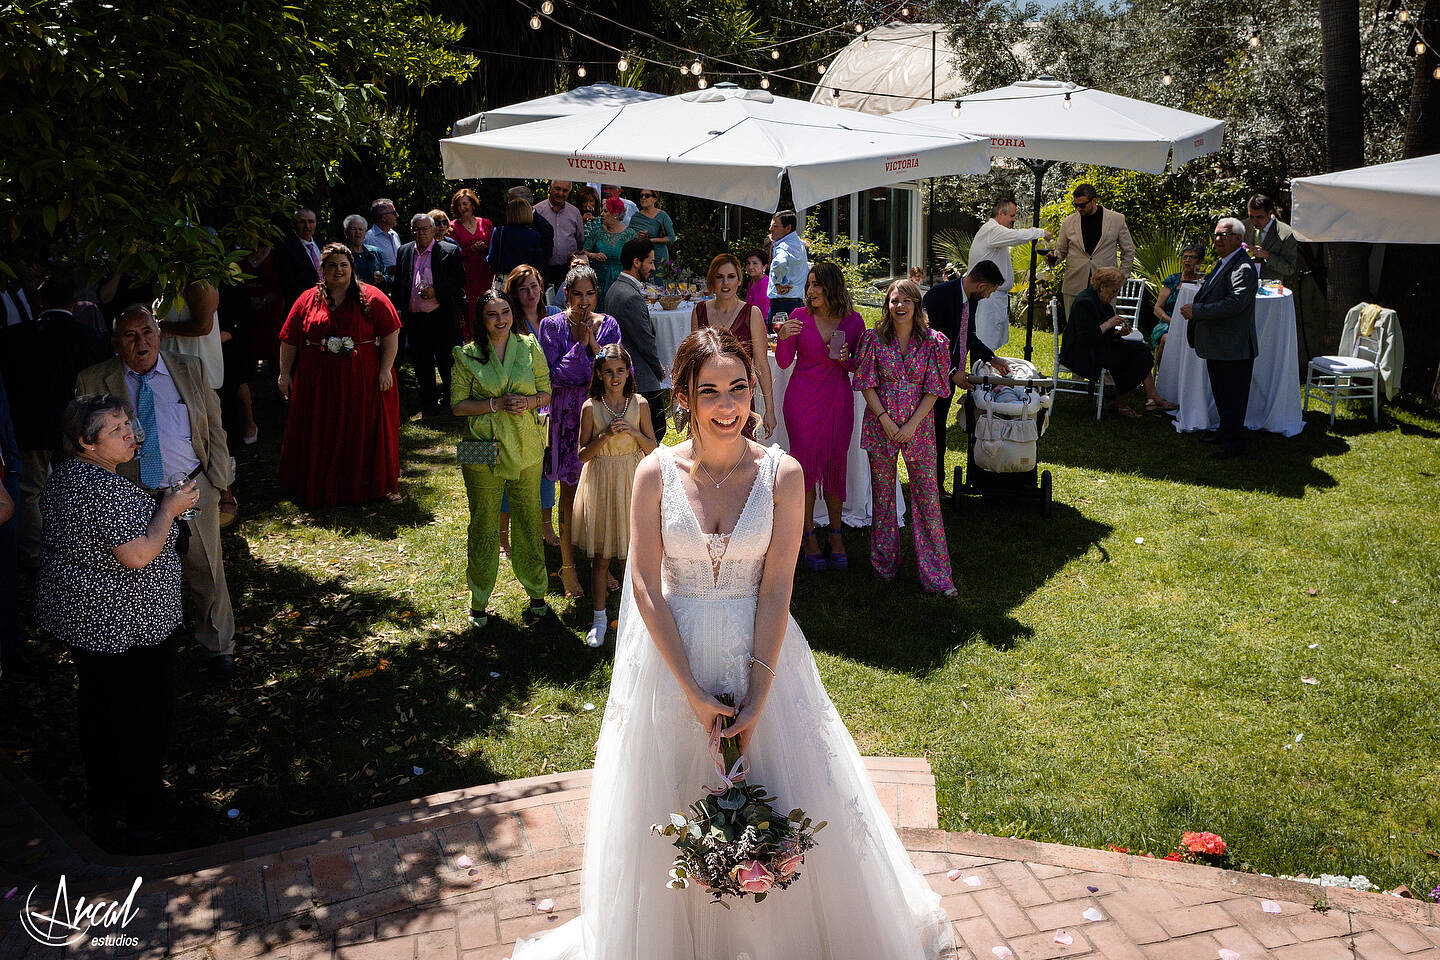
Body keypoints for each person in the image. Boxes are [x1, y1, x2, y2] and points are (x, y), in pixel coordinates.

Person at [509, 328, 954, 960]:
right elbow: (642, 584)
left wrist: (759, 691)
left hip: (761, 654)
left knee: (775, 802)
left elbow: (777, 588)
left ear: (753, 389)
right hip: (670, 664)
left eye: (738, 387)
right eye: (710, 390)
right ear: (685, 398)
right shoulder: (653, 473)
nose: (728, 405)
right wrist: (690, 690)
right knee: (669, 809)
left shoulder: (784, 474)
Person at [35, 395, 199, 839]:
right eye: (116, 429)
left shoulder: (68, 476)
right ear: (87, 444)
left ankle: (104, 800)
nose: (131, 432)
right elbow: (138, 554)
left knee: (100, 711)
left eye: (127, 423)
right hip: (127, 628)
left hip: (89, 625)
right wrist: (168, 510)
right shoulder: (100, 487)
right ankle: (146, 814)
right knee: (141, 718)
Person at [75, 305, 238, 677]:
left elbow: (215, 429)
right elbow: (84, 448)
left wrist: (222, 486)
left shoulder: (189, 369)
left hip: (193, 488)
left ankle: (218, 647)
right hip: (133, 497)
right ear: (116, 343)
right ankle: (148, 650)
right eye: (130, 336)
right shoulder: (93, 381)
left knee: (207, 570)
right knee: (140, 577)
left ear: (160, 334)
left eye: (147, 332)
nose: (141, 342)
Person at [450, 290, 553, 629]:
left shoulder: (529, 347)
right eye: (492, 314)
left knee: (527, 518)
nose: (501, 319)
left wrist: (527, 403)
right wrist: (493, 405)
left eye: (505, 312)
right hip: (479, 446)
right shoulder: (466, 355)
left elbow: (546, 393)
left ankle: (537, 592)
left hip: (525, 443)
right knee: (482, 523)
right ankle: (478, 600)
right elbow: (457, 406)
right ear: (481, 320)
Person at [276, 243, 402, 504]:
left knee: (362, 429)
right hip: (317, 380)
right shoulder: (308, 298)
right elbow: (289, 339)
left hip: (363, 379)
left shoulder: (372, 297)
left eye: (344, 264)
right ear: (322, 269)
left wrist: (385, 369)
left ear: (352, 268)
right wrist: (284, 373)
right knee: (320, 426)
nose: (338, 270)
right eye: (331, 265)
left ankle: (368, 484)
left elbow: (391, 332)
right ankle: (318, 482)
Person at [0, 271, 109, 567]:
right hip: (78, 428)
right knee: (77, 489)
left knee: (31, 492)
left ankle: (36, 555)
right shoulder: (90, 338)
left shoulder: (14, 337)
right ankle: (77, 548)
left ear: (39, 301)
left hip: (31, 427)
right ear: (75, 303)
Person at [854, 280, 956, 597]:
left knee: (927, 501)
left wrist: (912, 424)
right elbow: (866, 383)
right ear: (887, 304)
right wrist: (885, 419)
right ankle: (884, 566)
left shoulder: (934, 342)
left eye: (906, 301)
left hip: (919, 430)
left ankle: (938, 576)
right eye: (894, 301)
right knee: (883, 501)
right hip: (880, 426)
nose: (899, 307)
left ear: (916, 305)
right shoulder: (872, 339)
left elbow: (936, 388)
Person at [775, 261, 864, 572]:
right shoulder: (799, 317)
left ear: (832, 288)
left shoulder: (854, 322)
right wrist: (784, 336)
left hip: (838, 400)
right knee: (805, 469)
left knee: (834, 465)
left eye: (817, 285)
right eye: (809, 285)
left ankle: (836, 534)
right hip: (801, 401)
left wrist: (846, 360)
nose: (810, 291)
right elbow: (784, 363)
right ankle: (808, 534)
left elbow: (860, 367)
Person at [539, 265, 621, 599]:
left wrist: (590, 342)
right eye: (577, 294)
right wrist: (585, 350)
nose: (584, 302)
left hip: (598, 414)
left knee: (601, 491)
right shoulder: (551, 326)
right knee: (570, 494)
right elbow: (556, 374)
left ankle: (600, 562)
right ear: (566, 295)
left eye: (590, 294)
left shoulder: (610, 325)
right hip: (565, 416)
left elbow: (614, 372)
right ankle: (568, 566)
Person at [573, 343, 655, 647]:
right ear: (599, 374)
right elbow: (582, 455)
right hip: (603, 481)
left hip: (633, 480)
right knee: (602, 555)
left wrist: (633, 433)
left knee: (632, 554)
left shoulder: (640, 404)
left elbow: (653, 447)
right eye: (609, 372)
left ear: (628, 372)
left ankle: (634, 618)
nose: (615, 377)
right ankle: (599, 617)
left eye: (620, 370)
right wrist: (605, 435)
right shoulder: (591, 407)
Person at [921, 260, 1008, 494]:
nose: (989, 296)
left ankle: (934, 486)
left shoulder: (970, 300)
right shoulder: (939, 295)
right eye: (990, 291)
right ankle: (931, 486)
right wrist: (951, 372)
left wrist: (992, 358)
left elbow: (968, 336)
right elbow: (926, 341)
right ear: (981, 285)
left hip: (947, 379)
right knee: (931, 432)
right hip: (927, 377)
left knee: (938, 431)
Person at [1181, 218, 1258, 459]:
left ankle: (1234, 443)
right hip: (1219, 344)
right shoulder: (1224, 263)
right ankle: (1224, 432)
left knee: (1233, 395)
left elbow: (1236, 303)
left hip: (1233, 345)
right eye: (1216, 235)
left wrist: (1198, 311)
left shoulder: (1242, 268)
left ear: (1238, 239)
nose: (1217, 240)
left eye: (1224, 235)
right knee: (1222, 393)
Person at [498, 265, 562, 553]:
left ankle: (546, 526)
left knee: (547, 467)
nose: (531, 293)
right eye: (523, 288)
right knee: (511, 468)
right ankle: (502, 533)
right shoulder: (509, 322)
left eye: (534, 286)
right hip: (520, 404)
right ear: (513, 293)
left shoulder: (554, 316)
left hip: (551, 403)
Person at [1059, 268, 1177, 418]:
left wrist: (1118, 333)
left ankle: (1147, 397)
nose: (1115, 294)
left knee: (1140, 349)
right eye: (1114, 290)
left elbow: (1103, 334)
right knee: (1129, 356)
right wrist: (1109, 323)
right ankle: (1131, 402)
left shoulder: (1101, 301)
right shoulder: (1085, 302)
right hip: (1081, 352)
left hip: (1098, 346)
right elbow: (1086, 337)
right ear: (1102, 287)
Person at [691, 253, 776, 438]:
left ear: (739, 280)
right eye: (719, 277)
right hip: (707, 399)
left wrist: (770, 410)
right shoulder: (699, 311)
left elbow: (761, 365)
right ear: (711, 281)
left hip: (739, 400)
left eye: (731, 277)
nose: (725, 283)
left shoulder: (752, 313)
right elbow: (693, 364)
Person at [395, 212, 466, 416]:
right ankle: (428, 401)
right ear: (411, 231)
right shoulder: (405, 251)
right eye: (417, 229)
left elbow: (459, 280)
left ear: (434, 230)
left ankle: (451, 400)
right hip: (414, 316)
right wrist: (399, 309)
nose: (421, 233)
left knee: (446, 360)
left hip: (441, 315)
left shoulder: (448, 251)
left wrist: (437, 291)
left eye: (425, 229)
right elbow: (400, 282)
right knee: (421, 360)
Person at [605, 237, 670, 443]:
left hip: (629, 374)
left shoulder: (615, 288)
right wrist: (659, 371)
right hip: (641, 378)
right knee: (656, 431)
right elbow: (644, 340)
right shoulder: (630, 296)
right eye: (650, 262)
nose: (652, 268)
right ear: (636, 262)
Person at [968, 200, 1051, 349]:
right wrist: (1041, 232)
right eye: (1012, 216)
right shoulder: (992, 230)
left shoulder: (994, 232)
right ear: (1001, 213)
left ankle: (987, 370)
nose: (1014, 220)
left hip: (995, 297)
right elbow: (1017, 237)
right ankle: (983, 372)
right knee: (986, 344)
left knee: (991, 343)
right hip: (989, 298)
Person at [1051, 184, 1135, 320]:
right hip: (1074, 284)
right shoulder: (1068, 222)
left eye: (1082, 205)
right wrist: (1053, 258)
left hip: (1106, 285)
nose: (1078, 208)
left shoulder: (1117, 219)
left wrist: (1121, 277)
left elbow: (1129, 250)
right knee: (1075, 330)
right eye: (1075, 205)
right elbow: (1060, 251)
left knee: (1105, 328)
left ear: (1094, 201)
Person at [448, 187, 494, 341]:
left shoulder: (485, 223)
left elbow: (494, 247)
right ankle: (471, 339)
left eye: (465, 204)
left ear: (473, 204)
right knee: (470, 308)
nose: (463, 208)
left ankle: (490, 335)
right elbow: (452, 254)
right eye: (459, 205)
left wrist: (484, 247)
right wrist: (471, 249)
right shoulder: (453, 227)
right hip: (466, 274)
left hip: (485, 272)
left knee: (487, 304)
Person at [1153, 243, 1205, 367]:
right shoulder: (1173, 280)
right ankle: (1162, 375)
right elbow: (1157, 308)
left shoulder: (1205, 282)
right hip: (1168, 323)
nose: (1187, 260)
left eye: (1192, 257)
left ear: (1200, 261)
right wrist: (1171, 321)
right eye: (1185, 257)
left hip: (1195, 324)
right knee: (1166, 339)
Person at [534, 180, 586, 291]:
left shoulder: (575, 213)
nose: (561, 193)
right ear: (551, 188)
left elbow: (580, 241)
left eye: (565, 191)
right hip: (543, 269)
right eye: (557, 189)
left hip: (567, 269)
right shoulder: (538, 210)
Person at [585, 197, 637, 302]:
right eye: (602, 211)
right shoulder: (597, 231)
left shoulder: (630, 234)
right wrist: (593, 255)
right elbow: (583, 251)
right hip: (599, 280)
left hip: (621, 282)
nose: (601, 214)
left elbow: (636, 259)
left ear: (615, 214)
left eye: (605, 211)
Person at [1243, 193, 1299, 287]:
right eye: (1251, 216)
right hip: (1246, 287)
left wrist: (1268, 256)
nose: (1254, 221)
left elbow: (1289, 269)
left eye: (1260, 217)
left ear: (1270, 213)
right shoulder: (1243, 227)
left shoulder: (1286, 234)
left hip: (1272, 290)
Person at [487, 198, 546, 281]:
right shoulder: (533, 235)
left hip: (503, 279)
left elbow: (491, 260)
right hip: (524, 279)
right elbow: (539, 262)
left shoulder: (499, 232)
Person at [276, 208, 323, 312]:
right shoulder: (286, 247)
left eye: (311, 222)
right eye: (302, 222)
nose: (307, 226)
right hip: (303, 305)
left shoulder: (322, 244)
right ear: (294, 223)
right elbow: (288, 281)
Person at [766, 209, 808, 323]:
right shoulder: (800, 245)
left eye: (775, 226)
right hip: (798, 303)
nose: (770, 229)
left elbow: (779, 263)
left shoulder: (783, 246)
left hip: (781, 305)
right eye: (771, 225)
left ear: (788, 228)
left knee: (775, 339)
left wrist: (778, 283)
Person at [628, 189, 677, 264]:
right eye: (641, 196)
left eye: (647, 196)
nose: (643, 198)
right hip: (640, 256)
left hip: (658, 256)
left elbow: (671, 238)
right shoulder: (635, 216)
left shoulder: (662, 215)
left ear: (655, 199)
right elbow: (628, 235)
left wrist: (651, 240)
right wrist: (636, 236)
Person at [508, 185, 554, 263]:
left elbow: (546, 254)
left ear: (523, 203)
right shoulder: (509, 223)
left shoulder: (543, 226)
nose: (509, 205)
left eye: (512, 202)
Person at [343, 215, 388, 288]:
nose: (357, 232)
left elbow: (386, 277)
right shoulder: (342, 254)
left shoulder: (374, 252)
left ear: (365, 233)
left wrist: (382, 279)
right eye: (353, 229)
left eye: (360, 229)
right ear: (346, 232)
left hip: (373, 295)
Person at [366, 198, 403, 278]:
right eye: (394, 213)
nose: (397, 215)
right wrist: (392, 270)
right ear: (384, 217)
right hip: (383, 288)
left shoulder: (394, 234)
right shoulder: (369, 239)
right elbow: (368, 270)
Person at [742, 247, 770, 323]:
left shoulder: (765, 283)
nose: (750, 267)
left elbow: (762, 312)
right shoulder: (752, 282)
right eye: (748, 263)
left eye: (755, 263)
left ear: (764, 266)